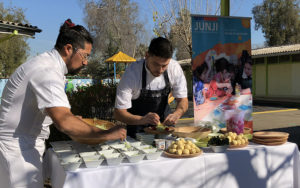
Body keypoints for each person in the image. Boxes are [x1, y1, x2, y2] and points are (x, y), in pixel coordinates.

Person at [0, 19, 126, 188]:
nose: (86, 62)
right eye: (85, 55)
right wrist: (108, 134)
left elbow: (56, 114)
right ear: (68, 49)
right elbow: (64, 122)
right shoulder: (47, 71)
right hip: (16, 152)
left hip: (22, 145)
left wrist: (74, 120)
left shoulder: (49, 66)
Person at [114, 37, 188, 138]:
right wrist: (142, 119)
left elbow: (183, 101)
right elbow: (119, 113)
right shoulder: (132, 73)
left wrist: (177, 113)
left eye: (164, 65)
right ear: (147, 55)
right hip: (138, 131)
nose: (160, 70)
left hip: (165, 128)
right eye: (156, 64)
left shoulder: (174, 68)